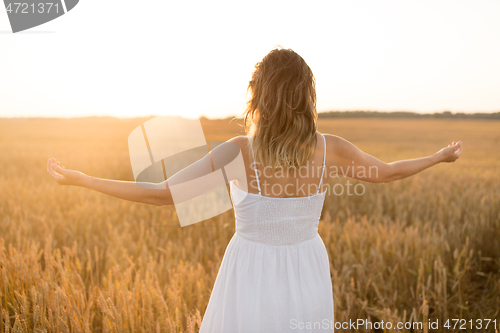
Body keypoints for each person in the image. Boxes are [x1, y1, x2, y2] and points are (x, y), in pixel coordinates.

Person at [47, 47, 462, 332]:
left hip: (250, 273)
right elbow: (387, 172)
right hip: (307, 271)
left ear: (258, 96)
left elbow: (162, 194)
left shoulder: (237, 152)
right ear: (307, 97)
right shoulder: (329, 149)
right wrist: (437, 157)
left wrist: (84, 179)